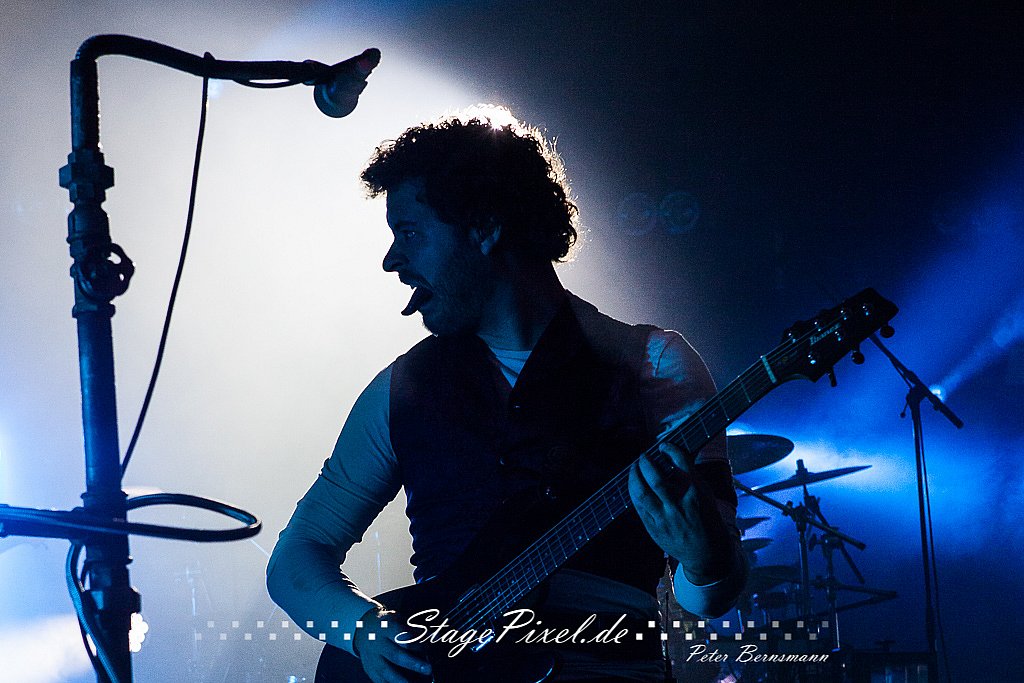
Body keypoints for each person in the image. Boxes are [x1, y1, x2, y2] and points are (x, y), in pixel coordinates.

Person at [267, 106, 746, 682]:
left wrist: (703, 558)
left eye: (410, 233)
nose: (392, 260)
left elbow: (711, 598)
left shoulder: (654, 364)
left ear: (486, 227)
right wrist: (361, 628)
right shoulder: (401, 389)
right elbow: (297, 555)